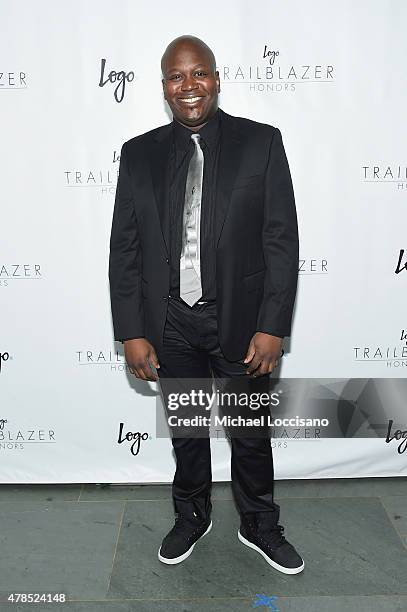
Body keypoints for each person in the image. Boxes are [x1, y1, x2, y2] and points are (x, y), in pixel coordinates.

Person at [108, 35, 304, 575]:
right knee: (188, 429)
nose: (188, 86)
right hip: (169, 322)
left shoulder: (261, 143)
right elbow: (124, 248)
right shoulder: (139, 153)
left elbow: (280, 239)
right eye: (176, 76)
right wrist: (132, 330)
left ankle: (259, 523)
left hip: (241, 323)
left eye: (199, 74)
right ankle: (192, 515)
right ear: (165, 86)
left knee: (249, 432)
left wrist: (272, 325)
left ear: (216, 79)